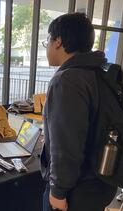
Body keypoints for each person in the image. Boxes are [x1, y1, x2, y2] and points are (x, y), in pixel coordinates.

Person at [40, 13, 117, 211]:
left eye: (47, 40)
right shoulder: (100, 73)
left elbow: (66, 147)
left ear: (58, 41)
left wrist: (58, 192)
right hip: (101, 182)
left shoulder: (66, 80)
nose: (46, 46)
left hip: (75, 191)